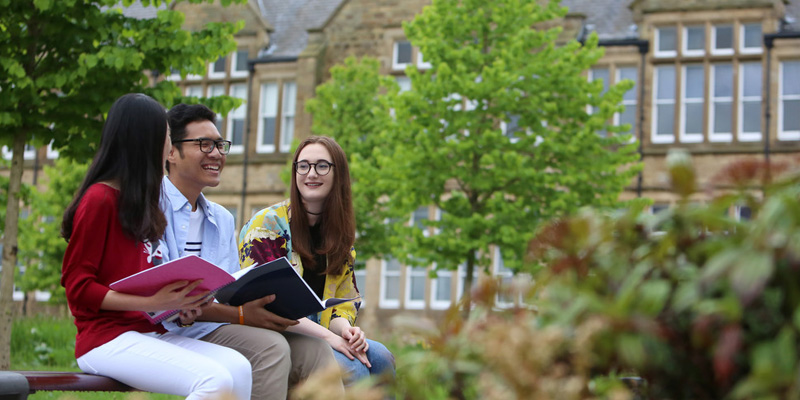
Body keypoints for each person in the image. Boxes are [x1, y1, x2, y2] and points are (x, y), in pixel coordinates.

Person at [61, 93, 252, 399]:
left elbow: (147, 285)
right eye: (165, 135)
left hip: (150, 331)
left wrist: (179, 305)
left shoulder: (144, 204)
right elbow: (78, 288)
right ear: (145, 140)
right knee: (214, 380)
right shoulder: (99, 200)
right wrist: (154, 303)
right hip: (104, 338)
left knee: (239, 368)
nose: (168, 145)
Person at [161, 103, 342, 399]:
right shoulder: (150, 208)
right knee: (272, 348)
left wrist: (248, 308)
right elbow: (166, 302)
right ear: (171, 151)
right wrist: (242, 315)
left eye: (220, 145)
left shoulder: (221, 218)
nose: (217, 154)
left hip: (213, 325)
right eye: (205, 144)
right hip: (171, 331)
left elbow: (226, 289)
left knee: (316, 351)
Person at [239, 135, 395, 386]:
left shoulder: (340, 237)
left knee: (381, 358)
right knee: (351, 370)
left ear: (338, 175)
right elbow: (269, 305)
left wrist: (346, 331)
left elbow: (342, 305)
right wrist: (330, 339)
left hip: (319, 333)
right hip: (275, 332)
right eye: (303, 165)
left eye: (322, 165)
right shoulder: (267, 226)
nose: (311, 173)